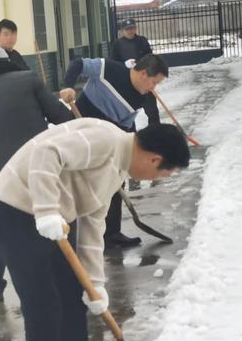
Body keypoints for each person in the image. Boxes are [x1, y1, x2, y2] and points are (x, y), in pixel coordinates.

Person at [0, 118, 190, 341]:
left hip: (44, 215)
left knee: (72, 293)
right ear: (154, 159)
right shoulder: (105, 141)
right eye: (164, 173)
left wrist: (95, 284)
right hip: (13, 207)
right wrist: (47, 209)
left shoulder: (118, 169)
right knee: (44, 307)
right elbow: (47, 154)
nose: (158, 180)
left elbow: (94, 223)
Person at [0, 37, 73, 302]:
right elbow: (60, 118)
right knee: (48, 213)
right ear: (6, 61)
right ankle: (61, 271)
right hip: (35, 168)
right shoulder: (28, 80)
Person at [60, 54, 168, 248]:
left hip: (105, 140)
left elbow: (126, 125)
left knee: (117, 179)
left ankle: (111, 233)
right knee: (79, 184)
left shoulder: (140, 97)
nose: (154, 88)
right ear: (143, 74)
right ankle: (71, 237)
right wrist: (68, 85)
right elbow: (78, 64)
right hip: (80, 131)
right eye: (154, 82)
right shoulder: (108, 69)